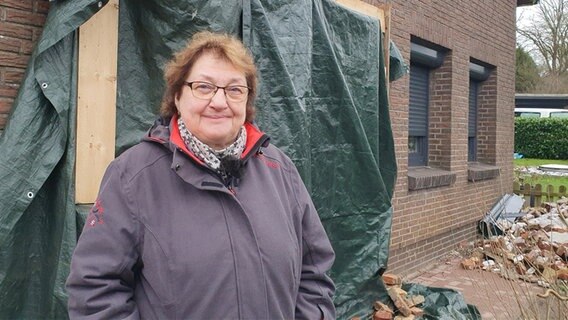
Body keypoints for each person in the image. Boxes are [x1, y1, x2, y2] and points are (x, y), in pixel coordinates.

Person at [66, 31, 336, 319]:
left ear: (247, 102)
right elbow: (95, 291)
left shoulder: (280, 171)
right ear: (178, 96)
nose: (220, 102)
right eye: (204, 87)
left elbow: (315, 272)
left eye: (234, 89)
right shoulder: (133, 176)